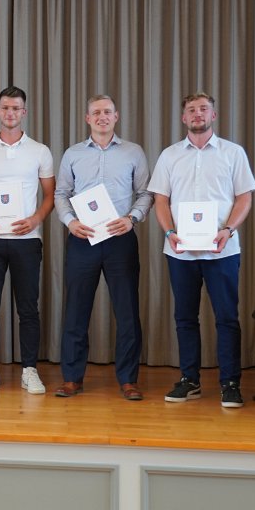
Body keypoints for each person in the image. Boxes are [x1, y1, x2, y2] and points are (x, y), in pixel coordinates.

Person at [147, 92, 255, 408]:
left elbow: (244, 197)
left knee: (227, 318)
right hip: (180, 252)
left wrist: (228, 230)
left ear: (214, 115)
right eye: (192, 110)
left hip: (222, 250)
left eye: (204, 109)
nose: (198, 114)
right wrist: (169, 232)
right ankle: (190, 380)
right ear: (184, 117)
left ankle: (230, 383)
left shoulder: (233, 153)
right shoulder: (169, 155)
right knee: (184, 317)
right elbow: (161, 200)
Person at [53, 95, 153, 400]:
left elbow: (145, 193)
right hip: (82, 239)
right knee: (76, 311)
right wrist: (70, 222)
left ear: (116, 116)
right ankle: (72, 378)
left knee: (127, 312)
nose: (102, 117)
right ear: (87, 118)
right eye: (96, 112)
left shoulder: (133, 152)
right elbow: (61, 193)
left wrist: (132, 219)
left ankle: (128, 380)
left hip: (120, 240)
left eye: (107, 112)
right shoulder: (73, 154)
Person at [0, 86, 56, 395]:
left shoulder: (40, 151)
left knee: (28, 308)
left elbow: (50, 195)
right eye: (5, 107)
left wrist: (35, 219)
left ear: (24, 112)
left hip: (26, 240)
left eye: (16, 108)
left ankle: (30, 370)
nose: (10, 113)